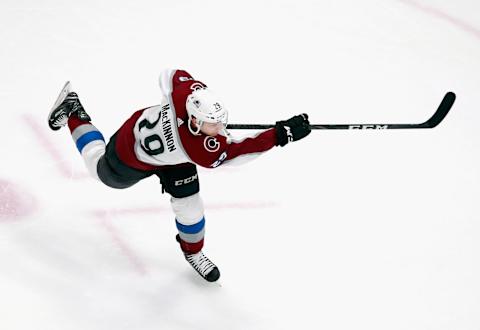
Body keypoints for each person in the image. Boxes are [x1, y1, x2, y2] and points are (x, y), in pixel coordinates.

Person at [47, 69, 311, 282]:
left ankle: (193, 252)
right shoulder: (200, 149)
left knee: (191, 208)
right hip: (132, 151)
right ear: (195, 121)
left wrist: (186, 99)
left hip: (175, 159)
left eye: (220, 119)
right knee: (98, 168)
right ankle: (72, 111)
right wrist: (279, 135)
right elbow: (239, 151)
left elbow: (170, 74)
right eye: (212, 124)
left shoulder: (186, 93)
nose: (220, 128)